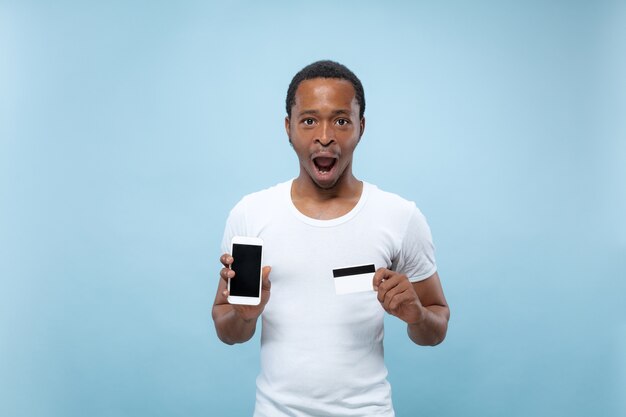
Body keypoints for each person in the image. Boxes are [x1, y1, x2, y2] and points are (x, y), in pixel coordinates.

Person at [212, 60, 450, 417]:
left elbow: (436, 325)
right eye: (309, 120)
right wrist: (246, 316)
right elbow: (229, 330)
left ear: (361, 127)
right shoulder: (251, 215)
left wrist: (416, 316)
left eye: (341, 120)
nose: (325, 136)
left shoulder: (400, 216)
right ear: (288, 127)